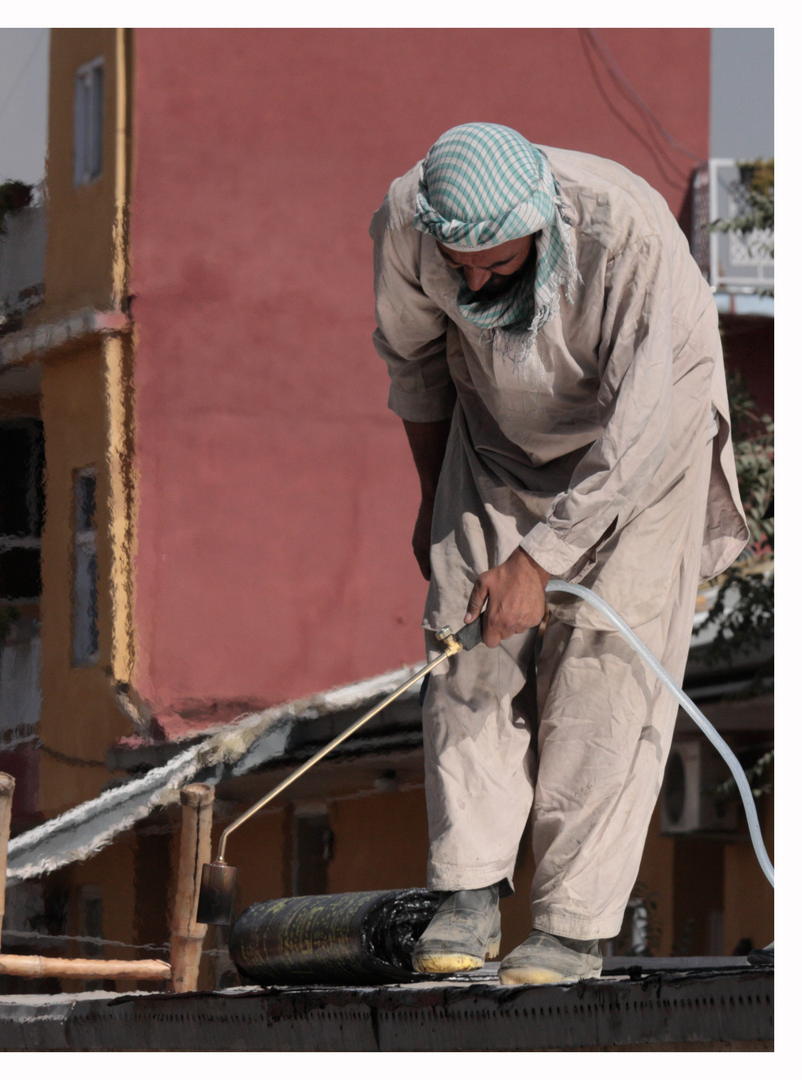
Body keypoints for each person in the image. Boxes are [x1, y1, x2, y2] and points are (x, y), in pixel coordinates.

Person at [370, 122, 747, 984]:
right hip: (496, 441)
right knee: (467, 649)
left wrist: (541, 563)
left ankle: (572, 925)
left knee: (603, 676)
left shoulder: (627, 236)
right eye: (459, 267)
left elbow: (643, 433)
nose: (473, 280)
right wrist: (436, 503)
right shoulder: (404, 223)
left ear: (540, 225)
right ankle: (467, 889)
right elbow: (414, 363)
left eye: (496, 266)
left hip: (640, 452)